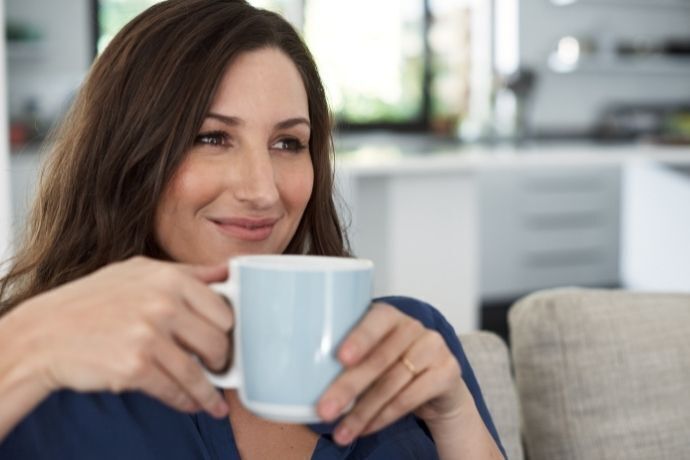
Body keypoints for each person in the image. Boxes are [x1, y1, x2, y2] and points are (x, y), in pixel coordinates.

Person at [0, 1, 505, 458]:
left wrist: (454, 415)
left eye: (288, 143)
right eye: (212, 137)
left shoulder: (412, 344)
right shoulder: (41, 369)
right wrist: (23, 346)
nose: (263, 190)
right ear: (124, 154)